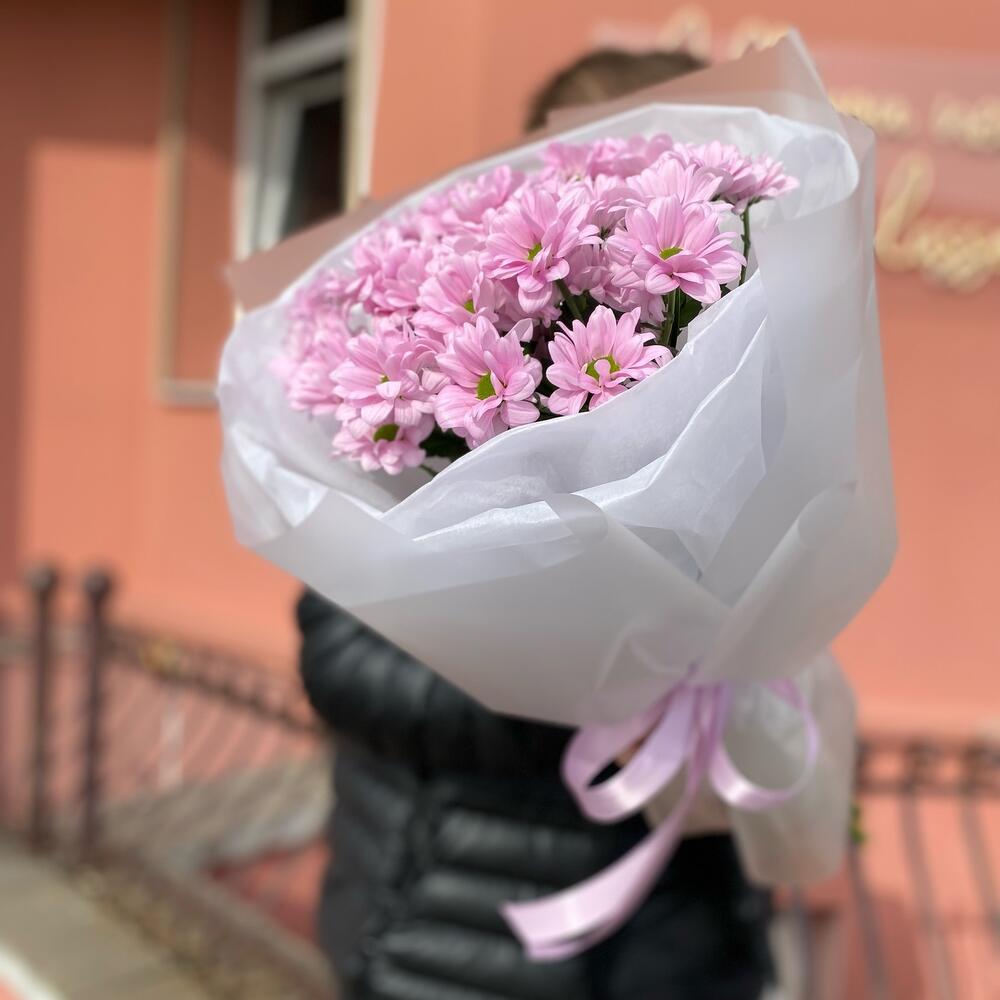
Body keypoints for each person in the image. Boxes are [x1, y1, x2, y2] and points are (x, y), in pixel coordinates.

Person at [299, 47, 775, 1000]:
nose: (622, 194)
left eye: (661, 167)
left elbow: (789, 601)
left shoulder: (740, 380)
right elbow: (345, 663)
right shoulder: (418, 394)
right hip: (449, 935)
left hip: (677, 943)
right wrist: (593, 690)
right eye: (594, 167)